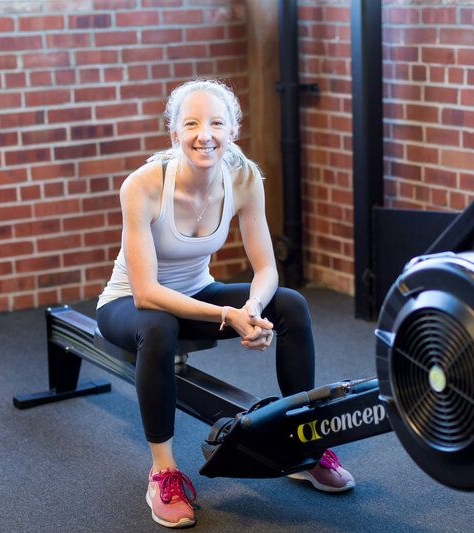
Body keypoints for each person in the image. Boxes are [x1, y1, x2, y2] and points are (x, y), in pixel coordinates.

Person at [95, 78, 354, 528]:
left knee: (289, 305)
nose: (204, 134)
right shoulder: (142, 186)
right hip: (128, 305)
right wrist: (226, 316)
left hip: (197, 293)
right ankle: (163, 474)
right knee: (158, 326)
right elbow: (146, 293)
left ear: (233, 129)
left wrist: (252, 307)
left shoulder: (244, 177)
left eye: (216, 122)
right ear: (174, 132)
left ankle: (300, 446)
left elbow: (267, 269)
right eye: (191, 123)